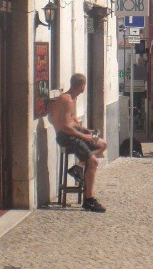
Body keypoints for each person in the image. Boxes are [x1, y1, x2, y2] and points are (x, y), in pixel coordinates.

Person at [49, 73, 107, 213]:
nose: (84, 88)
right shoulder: (66, 100)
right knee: (93, 162)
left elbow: (72, 121)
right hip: (66, 137)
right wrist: (84, 136)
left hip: (73, 133)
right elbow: (65, 127)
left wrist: (86, 130)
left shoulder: (72, 99)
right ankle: (89, 200)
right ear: (82, 86)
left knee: (102, 144)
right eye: (84, 86)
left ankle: (79, 166)